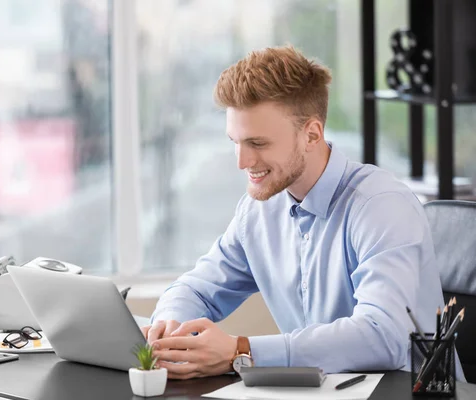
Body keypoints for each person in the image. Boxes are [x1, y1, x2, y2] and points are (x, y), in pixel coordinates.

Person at [141, 45, 465, 382]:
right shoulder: (258, 213)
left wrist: (241, 351)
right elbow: (195, 289)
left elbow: (382, 336)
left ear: (311, 134)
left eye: (258, 143)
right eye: (235, 142)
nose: (242, 161)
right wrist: (169, 330)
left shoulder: (381, 206)